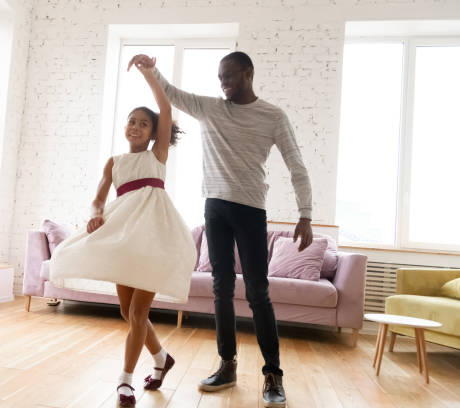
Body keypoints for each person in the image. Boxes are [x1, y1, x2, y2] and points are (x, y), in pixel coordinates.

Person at [128, 51, 314, 408]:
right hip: (215, 208)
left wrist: (305, 213)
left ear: (248, 73)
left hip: (250, 210)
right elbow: (172, 94)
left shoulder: (273, 116)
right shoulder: (212, 108)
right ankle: (227, 365)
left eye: (228, 77)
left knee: (258, 292)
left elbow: (297, 165)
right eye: (219, 78)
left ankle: (273, 373)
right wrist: (151, 71)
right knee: (221, 288)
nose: (223, 84)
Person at [49, 57, 197, 407]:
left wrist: (149, 75)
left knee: (138, 315)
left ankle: (125, 381)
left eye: (144, 124)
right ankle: (162, 358)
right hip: (121, 239)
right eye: (131, 121)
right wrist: (95, 215)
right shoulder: (114, 162)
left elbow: (165, 106)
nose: (136, 126)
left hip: (152, 241)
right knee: (127, 313)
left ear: (153, 132)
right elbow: (98, 198)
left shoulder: (157, 155)